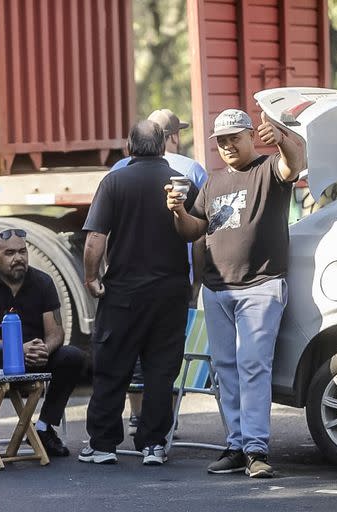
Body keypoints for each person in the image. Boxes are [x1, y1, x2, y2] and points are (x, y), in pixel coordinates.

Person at [165, 108, 306, 478]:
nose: (227, 146)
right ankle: (236, 444)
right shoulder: (212, 182)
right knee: (225, 370)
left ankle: (256, 449)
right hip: (217, 289)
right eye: (221, 141)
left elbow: (295, 163)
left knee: (253, 367)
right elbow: (193, 230)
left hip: (260, 285)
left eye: (234, 138)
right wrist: (178, 211)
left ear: (249, 137)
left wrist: (283, 139)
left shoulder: (269, 169)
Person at [80, 120, 198, 466]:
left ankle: (102, 445)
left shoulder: (115, 181)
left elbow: (95, 240)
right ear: (164, 146)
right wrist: (195, 284)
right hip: (171, 292)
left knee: (112, 366)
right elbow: (198, 235)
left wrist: (91, 277)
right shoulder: (181, 184)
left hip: (124, 293)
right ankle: (153, 445)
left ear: (128, 147)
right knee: (161, 371)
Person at [111, 108, 207, 437]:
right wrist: (197, 284)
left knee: (131, 350)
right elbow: (202, 227)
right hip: (173, 280)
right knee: (164, 355)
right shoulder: (190, 170)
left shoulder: (118, 170)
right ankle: (162, 424)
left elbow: (103, 232)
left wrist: (97, 277)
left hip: (127, 281)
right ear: (172, 137)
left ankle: (137, 416)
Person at [0, 228, 88, 457]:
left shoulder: (42, 281)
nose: (18, 258)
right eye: (10, 253)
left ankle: (43, 429)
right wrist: (15, 349)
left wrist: (45, 348)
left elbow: (56, 332)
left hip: (35, 357)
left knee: (73, 357)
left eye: (22, 251)